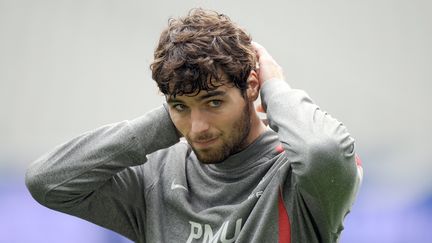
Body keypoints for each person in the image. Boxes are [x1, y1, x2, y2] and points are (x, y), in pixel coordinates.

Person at [25, 8, 362, 243]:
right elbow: (48, 181)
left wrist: (276, 88)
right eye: (180, 106)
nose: (197, 127)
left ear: (252, 87)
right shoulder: (155, 175)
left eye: (214, 102)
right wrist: (166, 123)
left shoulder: (300, 175)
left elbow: (323, 150)